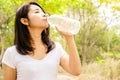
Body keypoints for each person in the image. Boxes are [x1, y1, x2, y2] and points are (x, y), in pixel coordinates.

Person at [2, 2, 81, 80]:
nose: (44, 14)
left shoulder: (56, 48)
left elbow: (76, 71)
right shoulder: (12, 53)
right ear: (25, 21)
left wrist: (69, 37)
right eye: (37, 12)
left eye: (43, 12)